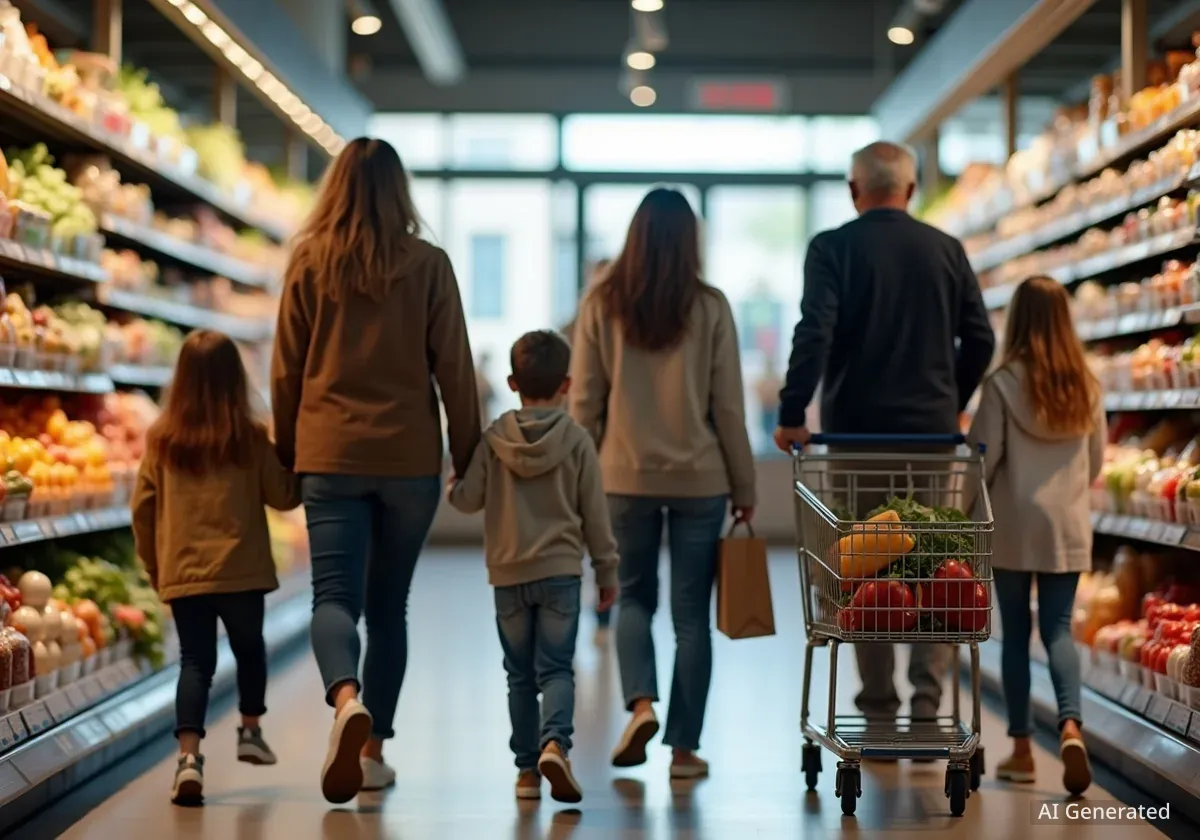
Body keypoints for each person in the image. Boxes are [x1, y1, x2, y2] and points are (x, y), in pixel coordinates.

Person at [271, 138, 481, 804]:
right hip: (409, 459)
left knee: (335, 598)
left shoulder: (309, 262)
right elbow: (455, 369)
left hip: (329, 453)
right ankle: (373, 751)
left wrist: (285, 450)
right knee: (390, 608)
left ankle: (345, 699)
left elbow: (285, 370)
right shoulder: (429, 264)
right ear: (400, 192)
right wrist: (467, 454)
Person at [774, 141, 995, 726]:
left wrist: (793, 411)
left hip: (855, 440)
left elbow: (813, 331)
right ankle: (928, 703)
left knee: (863, 563)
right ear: (911, 190)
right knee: (936, 564)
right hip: (931, 440)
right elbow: (981, 340)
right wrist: (950, 402)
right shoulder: (945, 249)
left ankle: (876, 703)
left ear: (854, 190)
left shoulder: (831, 249)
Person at [570, 188, 756, 779]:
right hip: (700, 479)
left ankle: (642, 705)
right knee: (691, 616)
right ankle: (683, 750)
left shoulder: (601, 303)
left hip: (621, 477)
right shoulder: (710, 306)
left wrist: (581, 481)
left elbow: (584, 405)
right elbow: (727, 407)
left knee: (631, 597)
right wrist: (744, 483)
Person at [448, 330, 619, 803]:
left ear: (510, 381)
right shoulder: (578, 441)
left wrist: (451, 489)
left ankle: (526, 773)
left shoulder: (494, 439)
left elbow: (469, 499)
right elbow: (595, 515)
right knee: (557, 669)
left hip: (508, 574)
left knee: (519, 675)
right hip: (562, 571)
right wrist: (606, 570)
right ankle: (553, 744)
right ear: (567, 385)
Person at [131, 330, 301, 805]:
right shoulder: (250, 438)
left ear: (180, 380)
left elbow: (142, 509)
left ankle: (188, 760)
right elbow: (284, 497)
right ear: (235, 380)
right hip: (241, 573)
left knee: (195, 663)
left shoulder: (162, 440)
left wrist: (153, 566)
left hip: (184, 573)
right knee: (250, 651)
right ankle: (250, 730)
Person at [966, 276, 1103, 795]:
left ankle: (1022, 751)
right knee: (1059, 630)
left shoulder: (1002, 384)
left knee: (1016, 635)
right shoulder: (1086, 385)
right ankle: (1070, 725)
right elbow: (1095, 462)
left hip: (1014, 523)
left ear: (1018, 320)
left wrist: (957, 516)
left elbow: (983, 456)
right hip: (1066, 524)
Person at [561, 257, 615, 641]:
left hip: (613, 452)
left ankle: (605, 606)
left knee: (606, 535)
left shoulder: (626, 326)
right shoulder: (567, 331)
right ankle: (574, 604)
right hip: (578, 448)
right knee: (576, 535)